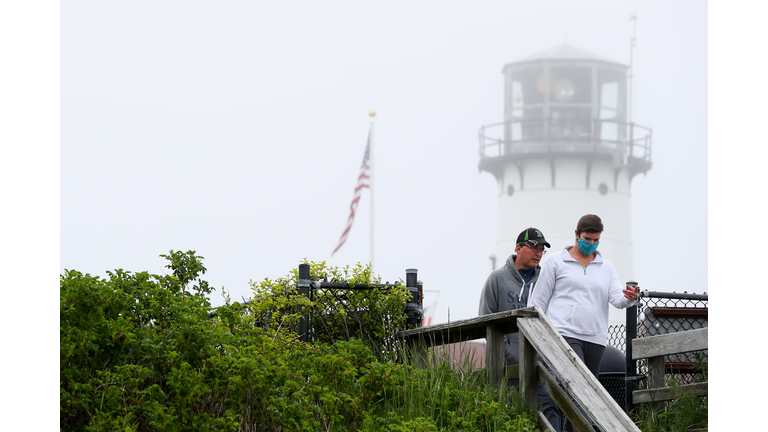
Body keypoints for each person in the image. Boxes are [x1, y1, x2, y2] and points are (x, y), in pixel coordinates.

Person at [527, 214, 639, 432]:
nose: (591, 244)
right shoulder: (556, 262)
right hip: (564, 333)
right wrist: (537, 337)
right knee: (577, 390)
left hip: (595, 338)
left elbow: (617, 299)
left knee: (587, 396)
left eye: (596, 240)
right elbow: (537, 301)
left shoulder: (607, 267)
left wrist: (629, 297)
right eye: (587, 239)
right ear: (576, 234)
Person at [478, 227, 561, 430]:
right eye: (534, 248)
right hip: (505, 364)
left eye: (542, 250)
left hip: (542, 362)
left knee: (550, 409)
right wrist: (506, 351)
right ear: (518, 248)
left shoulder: (547, 280)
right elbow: (484, 317)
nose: (538, 254)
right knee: (513, 413)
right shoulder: (496, 279)